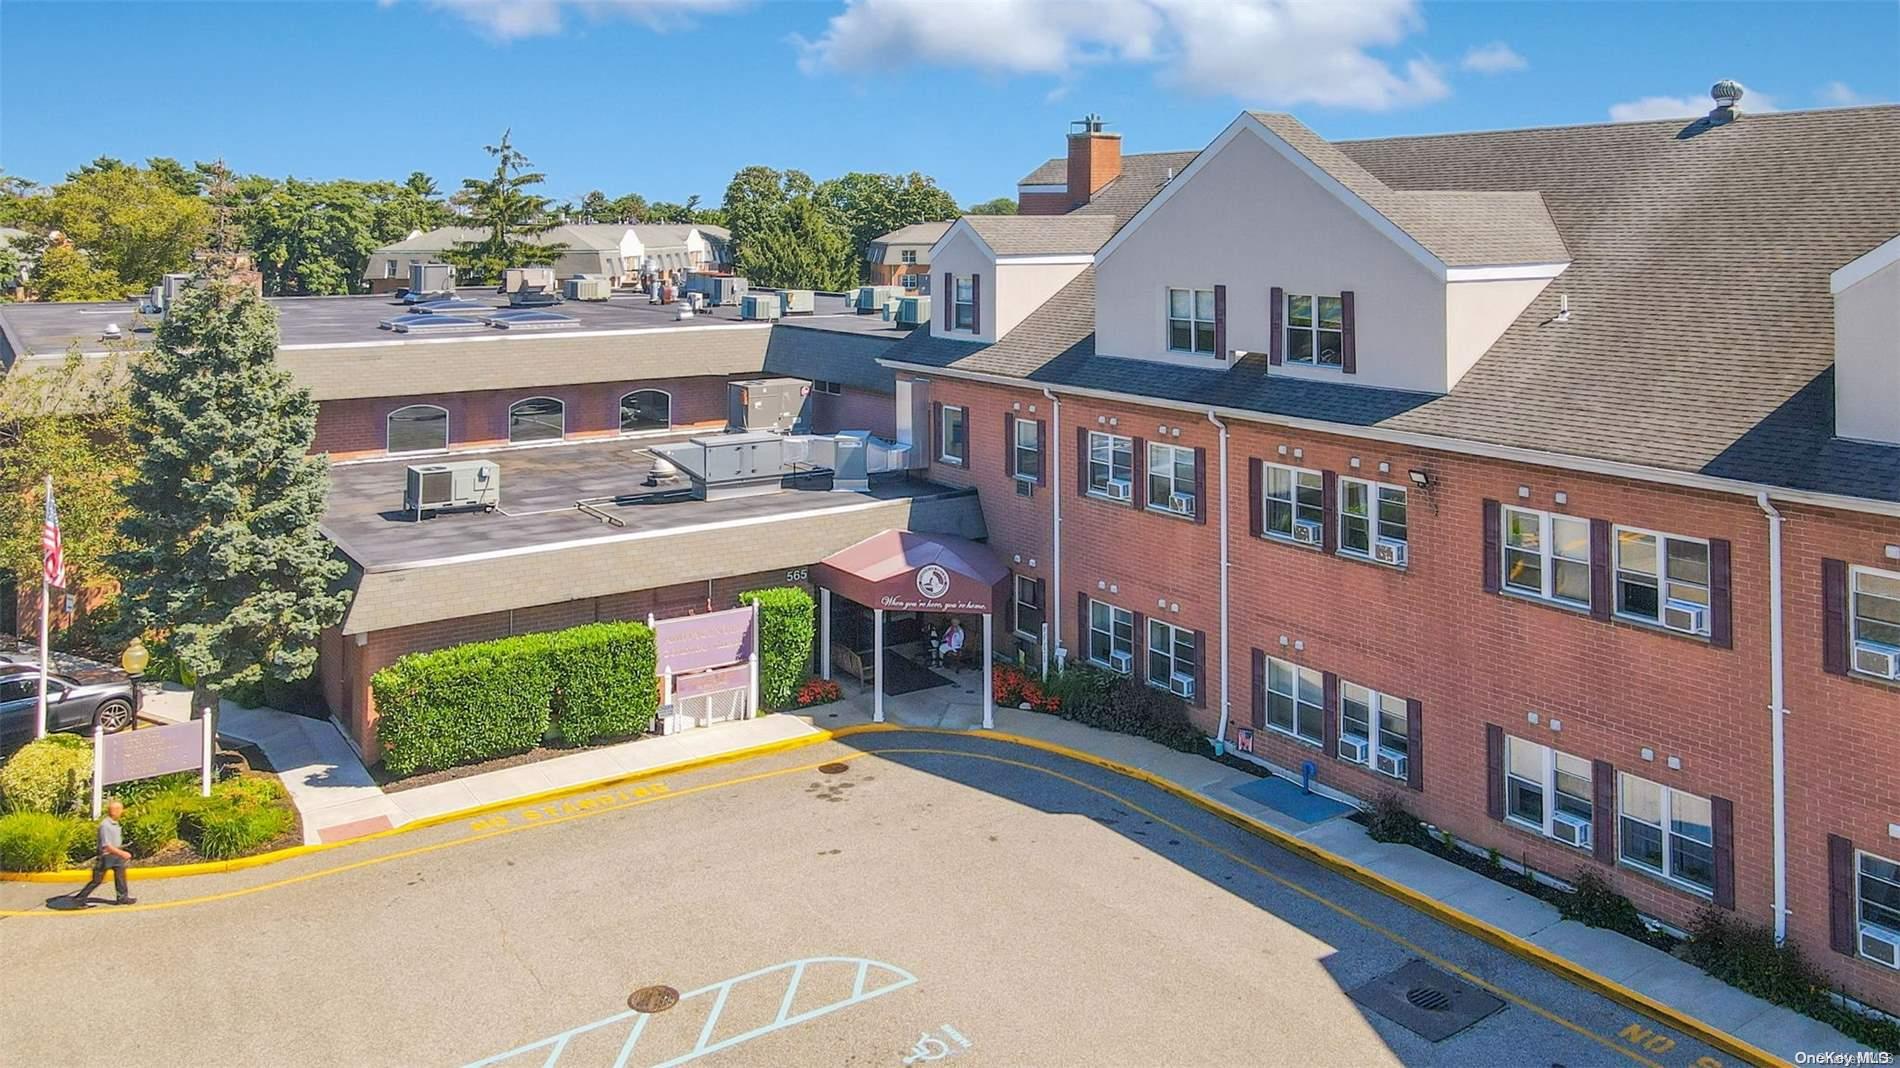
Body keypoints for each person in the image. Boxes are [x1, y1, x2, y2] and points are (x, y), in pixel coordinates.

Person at [70, 799, 135, 907]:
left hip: (115, 855)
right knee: (97, 880)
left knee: (120, 876)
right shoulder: (105, 825)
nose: (122, 812)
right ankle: (79, 899)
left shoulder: (114, 823)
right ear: (114, 811)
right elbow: (106, 845)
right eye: (120, 809)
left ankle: (122, 897)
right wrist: (123, 854)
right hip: (106, 856)